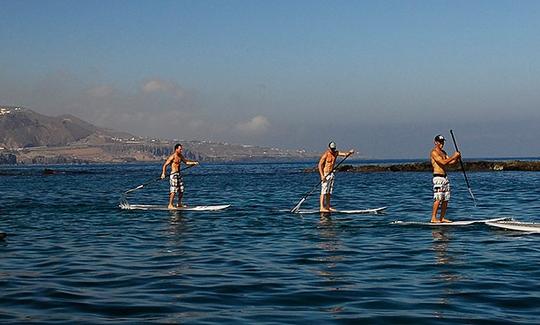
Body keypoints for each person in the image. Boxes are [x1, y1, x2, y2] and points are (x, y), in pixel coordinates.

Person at [430, 135, 461, 223]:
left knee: (446, 198)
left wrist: (457, 158)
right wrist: (454, 156)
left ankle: (441, 218)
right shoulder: (433, 152)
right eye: (440, 142)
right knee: (438, 198)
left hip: (445, 177)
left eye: (443, 142)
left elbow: (450, 162)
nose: (442, 144)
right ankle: (433, 218)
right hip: (438, 177)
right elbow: (443, 162)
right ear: (435, 142)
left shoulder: (443, 152)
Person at [318, 141, 354, 212]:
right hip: (326, 174)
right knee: (323, 191)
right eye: (331, 149)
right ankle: (322, 207)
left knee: (329, 191)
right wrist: (322, 176)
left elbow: (344, 154)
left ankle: (328, 207)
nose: (333, 150)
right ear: (329, 148)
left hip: (332, 174)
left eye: (334, 149)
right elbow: (320, 165)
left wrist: (349, 153)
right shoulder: (326, 154)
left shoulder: (336, 153)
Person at [161, 143, 199, 209]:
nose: (181, 150)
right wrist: (163, 174)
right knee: (173, 190)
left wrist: (193, 163)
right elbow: (165, 165)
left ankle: (179, 203)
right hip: (173, 175)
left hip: (179, 174)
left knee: (181, 190)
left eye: (181, 149)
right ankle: (170, 205)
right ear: (176, 149)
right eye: (180, 149)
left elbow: (186, 162)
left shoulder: (180, 156)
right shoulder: (172, 157)